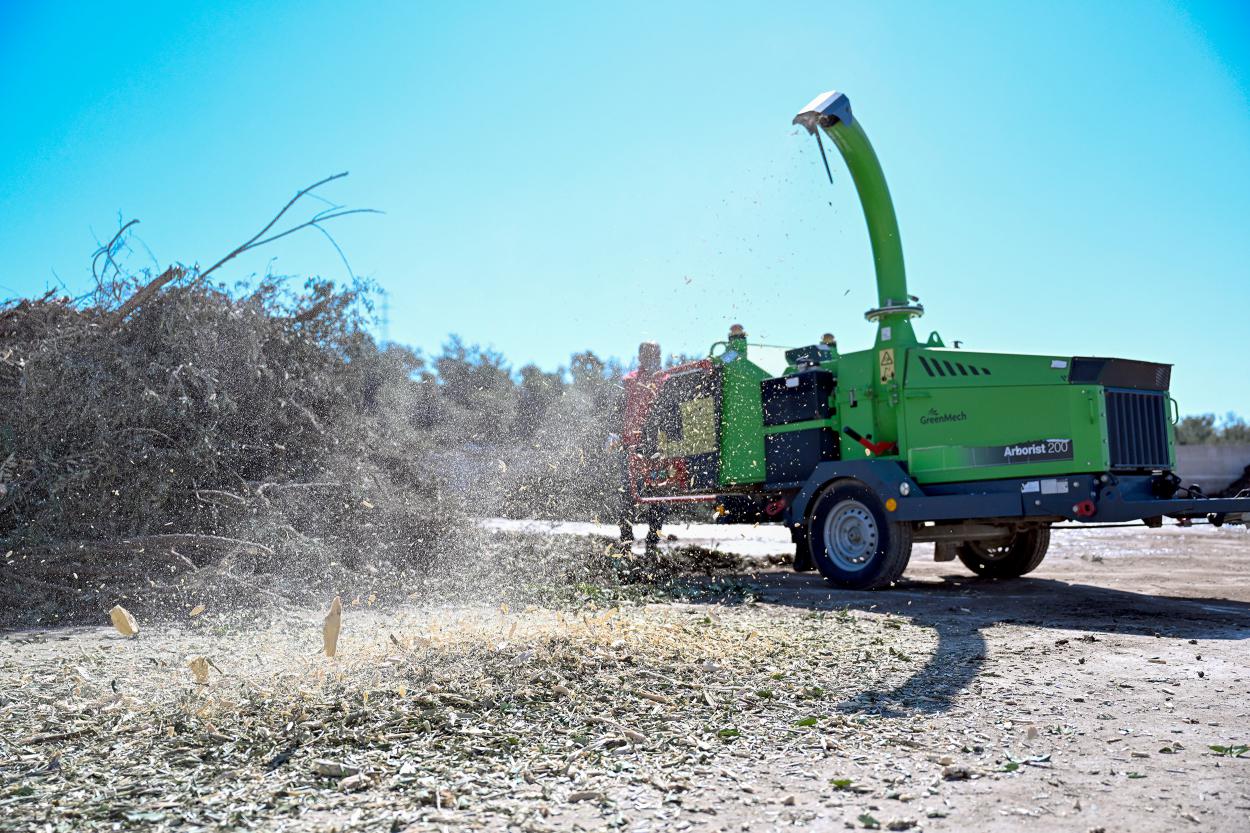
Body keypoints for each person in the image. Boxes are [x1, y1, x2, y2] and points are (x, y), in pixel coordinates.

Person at [613, 342, 666, 551]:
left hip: (658, 448)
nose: (652, 358)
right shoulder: (629, 381)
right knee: (627, 493)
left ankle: (652, 545)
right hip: (631, 446)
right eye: (648, 354)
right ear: (640, 356)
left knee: (657, 495)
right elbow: (617, 410)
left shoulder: (665, 379)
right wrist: (614, 433)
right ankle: (626, 544)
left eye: (655, 354)